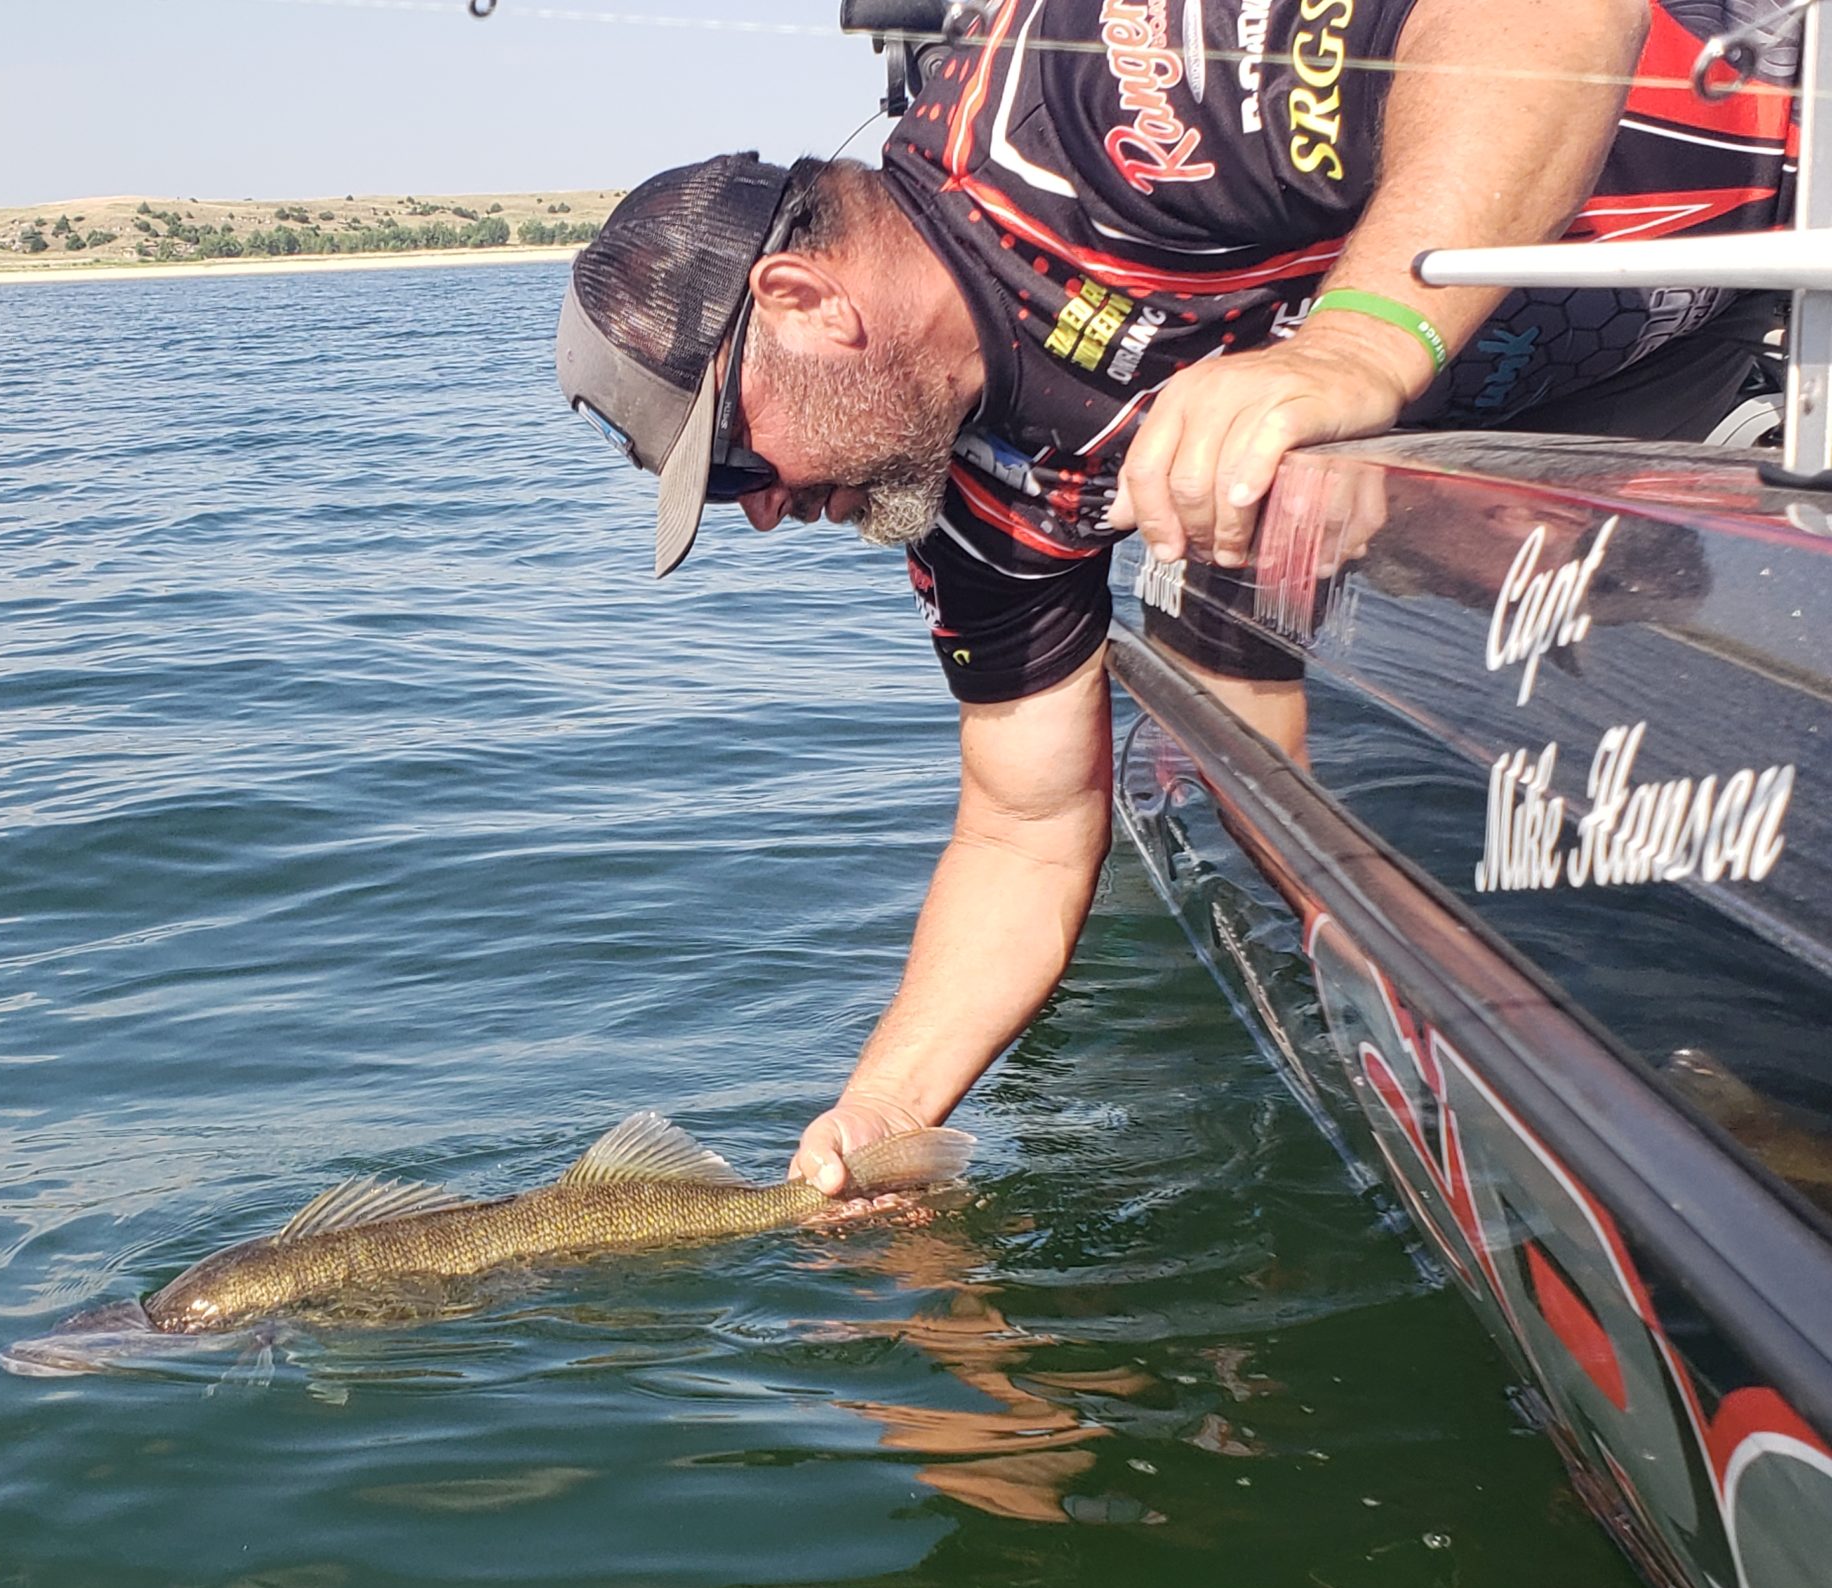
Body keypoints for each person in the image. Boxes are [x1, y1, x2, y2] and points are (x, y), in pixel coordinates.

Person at [553, 0, 1790, 1193]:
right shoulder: (976, 501)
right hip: (1674, 392)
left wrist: (1352, 346)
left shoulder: (1086, 89)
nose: (764, 509)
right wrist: (884, 1110)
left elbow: (1554, 16)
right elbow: (1022, 828)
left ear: (804, 304)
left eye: (734, 464)